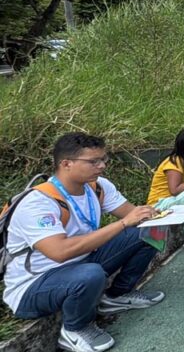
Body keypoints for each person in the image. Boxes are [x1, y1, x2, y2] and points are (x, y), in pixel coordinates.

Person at [3, 133, 164, 352]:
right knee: (90, 274)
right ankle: (75, 329)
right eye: (93, 162)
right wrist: (124, 223)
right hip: (35, 285)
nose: (102, 166)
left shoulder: (97, 187)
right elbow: (59, 252)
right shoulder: (37, 203)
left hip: (83, 263)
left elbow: (134, 215)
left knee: (150, 231)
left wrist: (159, 214)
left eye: (104, 159)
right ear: (66, 164)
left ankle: (117, 295)